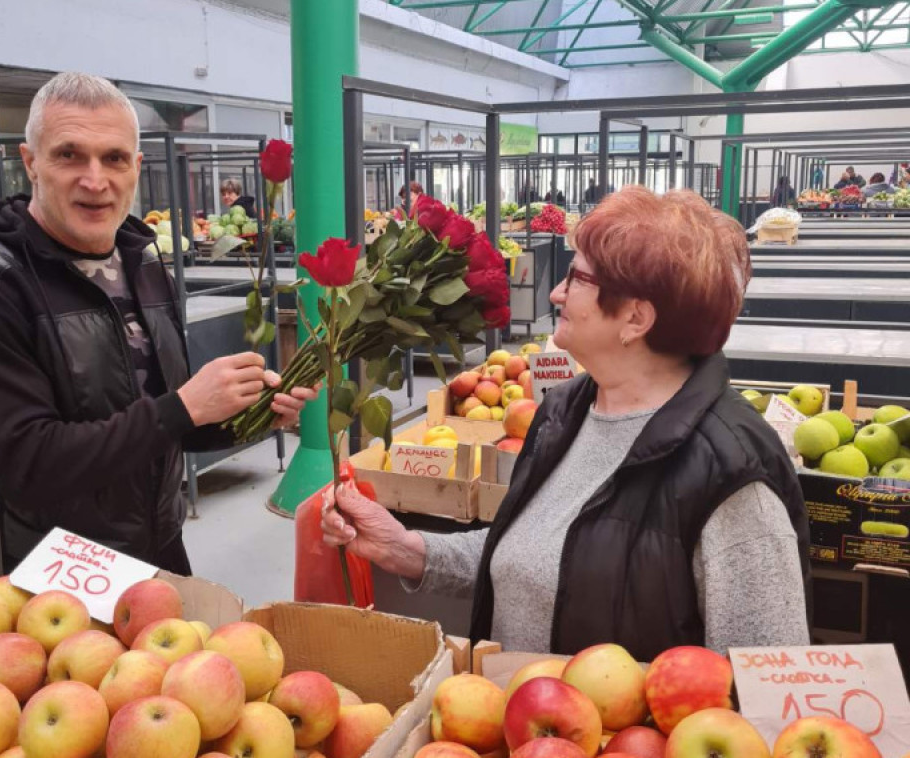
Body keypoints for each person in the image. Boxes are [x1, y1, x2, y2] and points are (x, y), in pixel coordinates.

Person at [322, 186, 810, 660]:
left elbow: (764, 683)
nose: (555, 292)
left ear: (635, 318)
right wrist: (407, 548)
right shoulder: (565, 410)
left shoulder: (732, 475)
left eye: (576, 279)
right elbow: (531, 556)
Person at [0, 73, 317, 573]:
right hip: (55, 575)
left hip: (160, 550)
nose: (95, 181)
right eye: (69, 155)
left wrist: (248, 413)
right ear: (30, 162)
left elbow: (165, 425)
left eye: (114, 158)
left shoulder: (141, 258)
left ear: (136, 167)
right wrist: (182, 408)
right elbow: (24, 465)